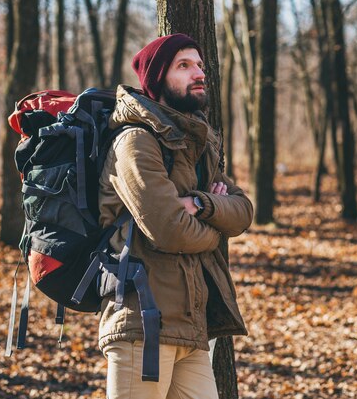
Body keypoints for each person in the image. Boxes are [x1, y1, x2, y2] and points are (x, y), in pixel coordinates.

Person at [98, 33, 253, 399]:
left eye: (199, 65)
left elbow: (243, 211)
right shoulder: (135, 142)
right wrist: (216, 230)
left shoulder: (193, 146)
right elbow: (169, 230)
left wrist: (201, 206)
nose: (198, 73)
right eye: (184, 66)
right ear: (156, 78)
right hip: (143, 324)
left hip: (190, 325)